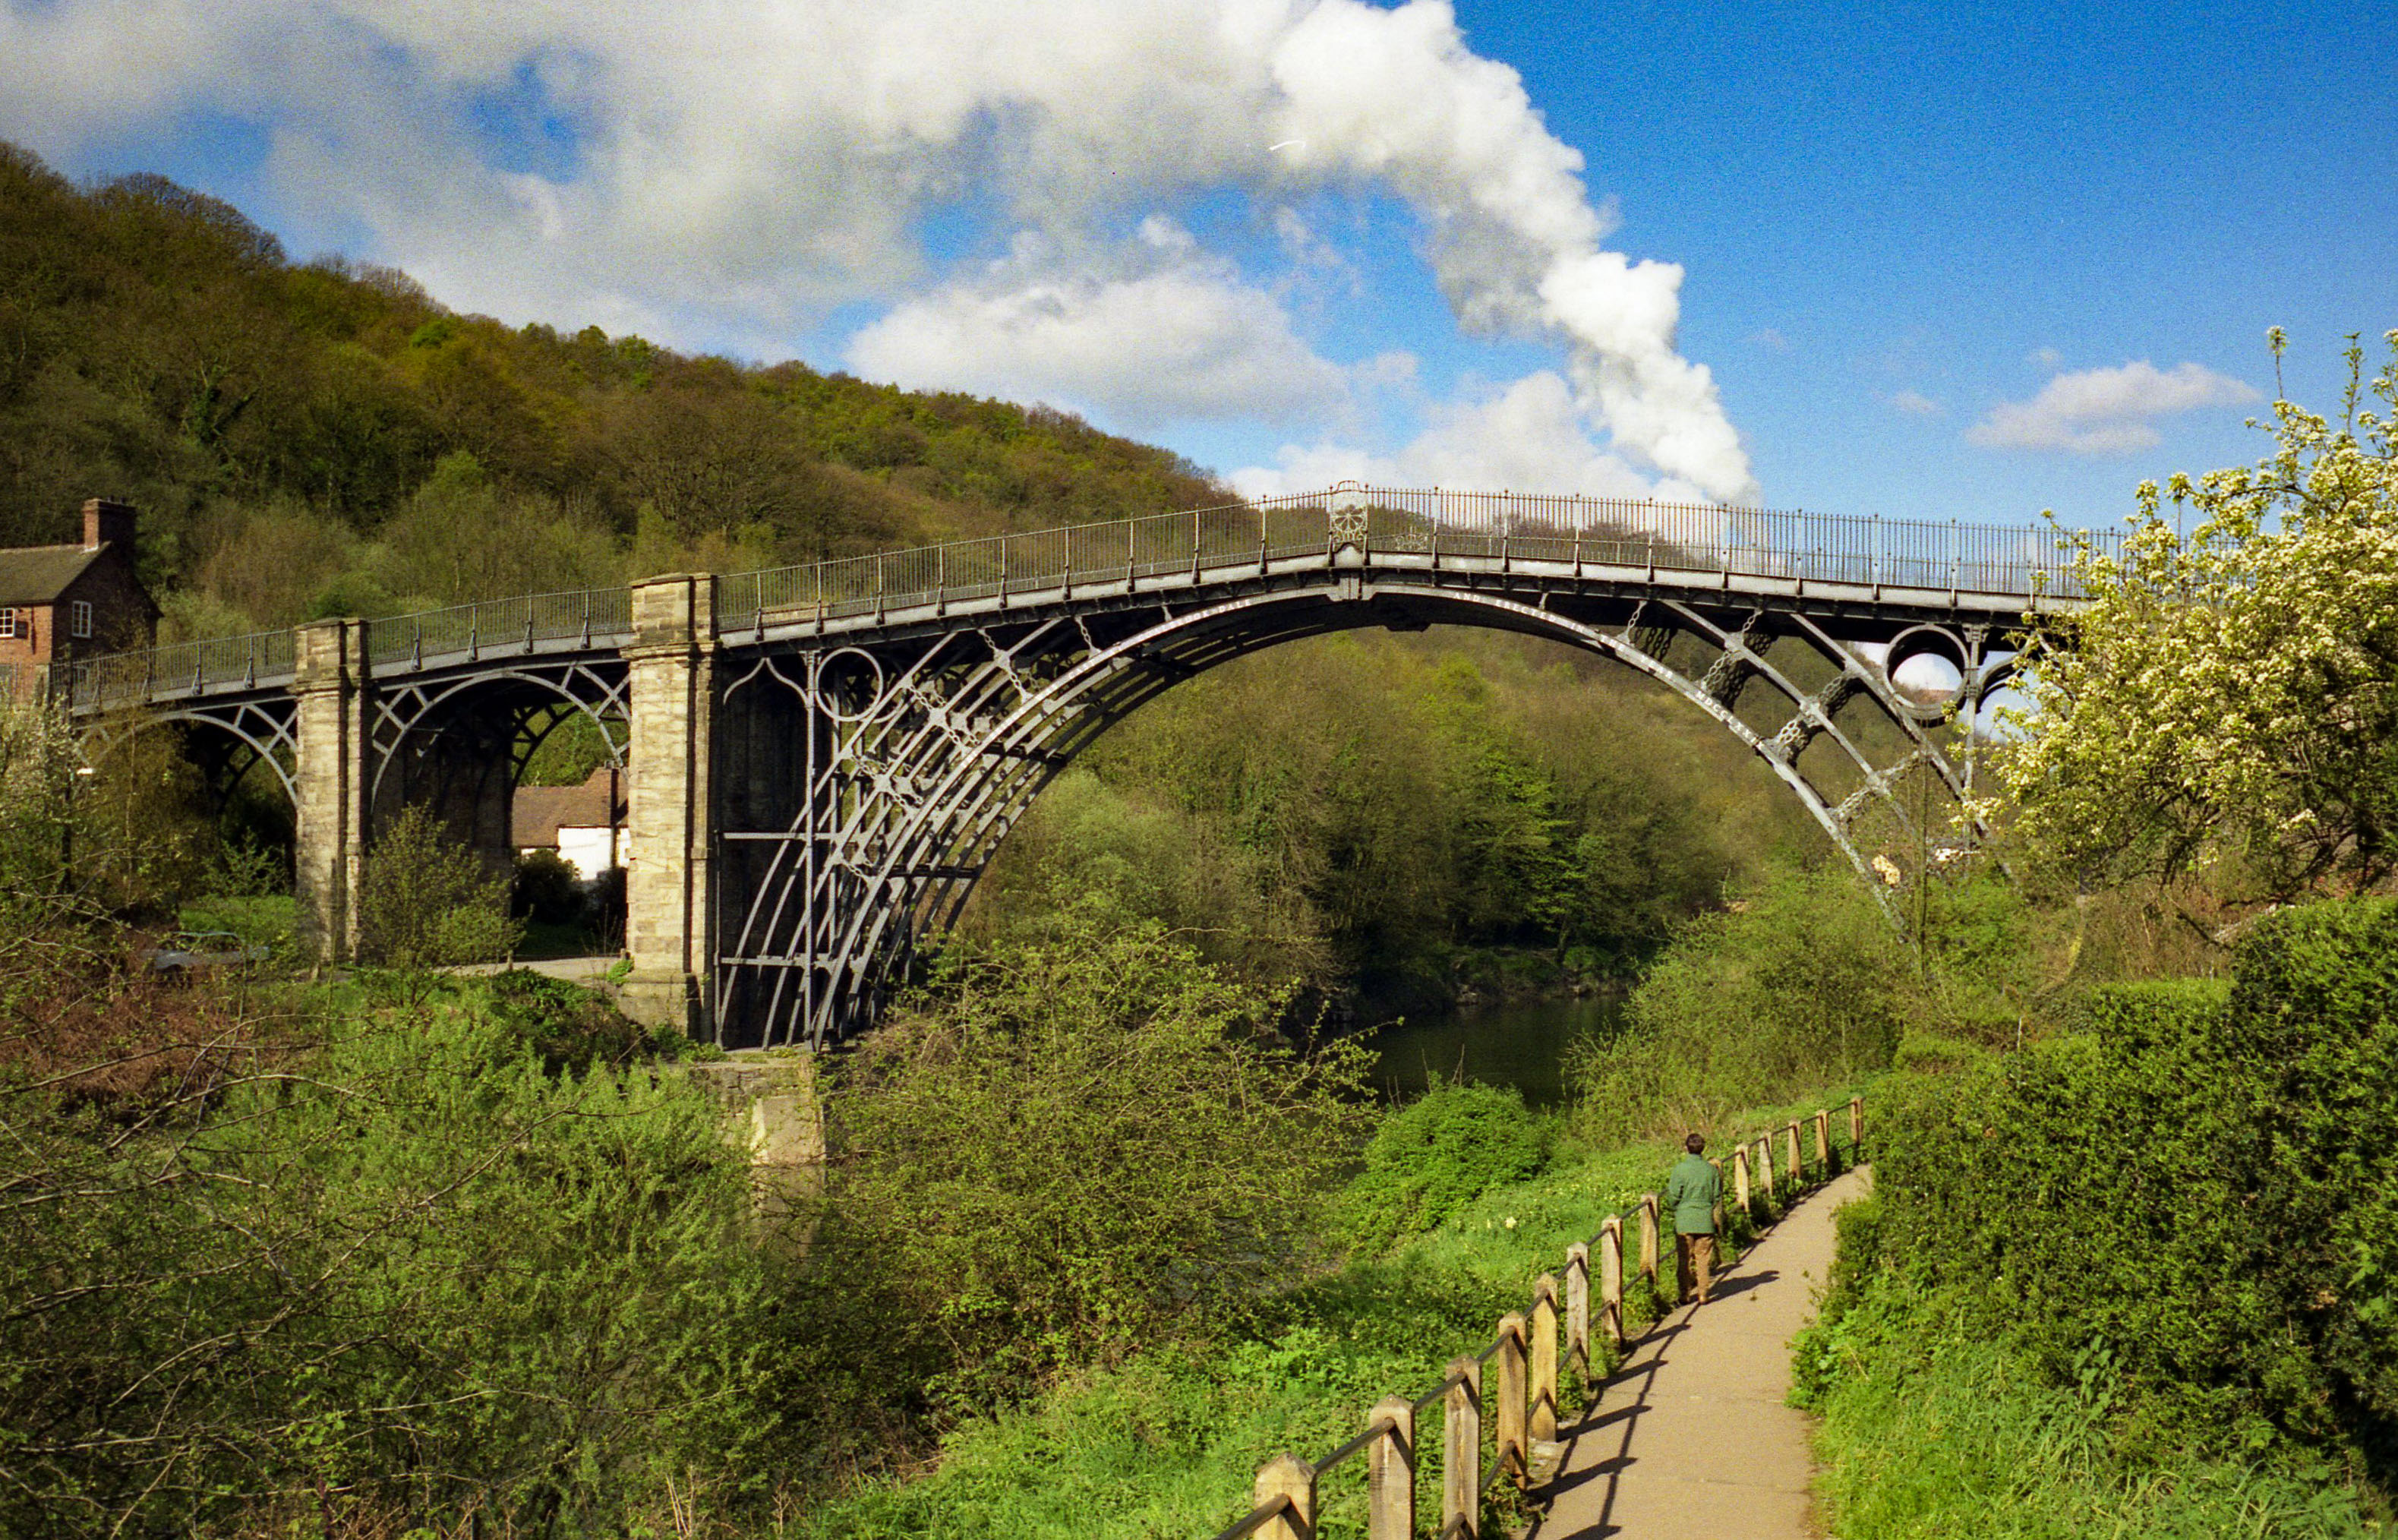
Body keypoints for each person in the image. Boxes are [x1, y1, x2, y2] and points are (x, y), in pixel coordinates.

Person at [1663, 1132, 1722, 1305]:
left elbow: (1673, 1196)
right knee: (1703, 1259)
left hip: (1684, 1220)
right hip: (1705, 1220)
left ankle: (1684, 1294)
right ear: (1703, 1149)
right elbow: (1716, 1196)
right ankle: (1703, 1293)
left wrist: (1678, 1208)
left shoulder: (1680, 1169)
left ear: (1686, 1148)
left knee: (1684, 1259)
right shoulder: (1711, 1170)